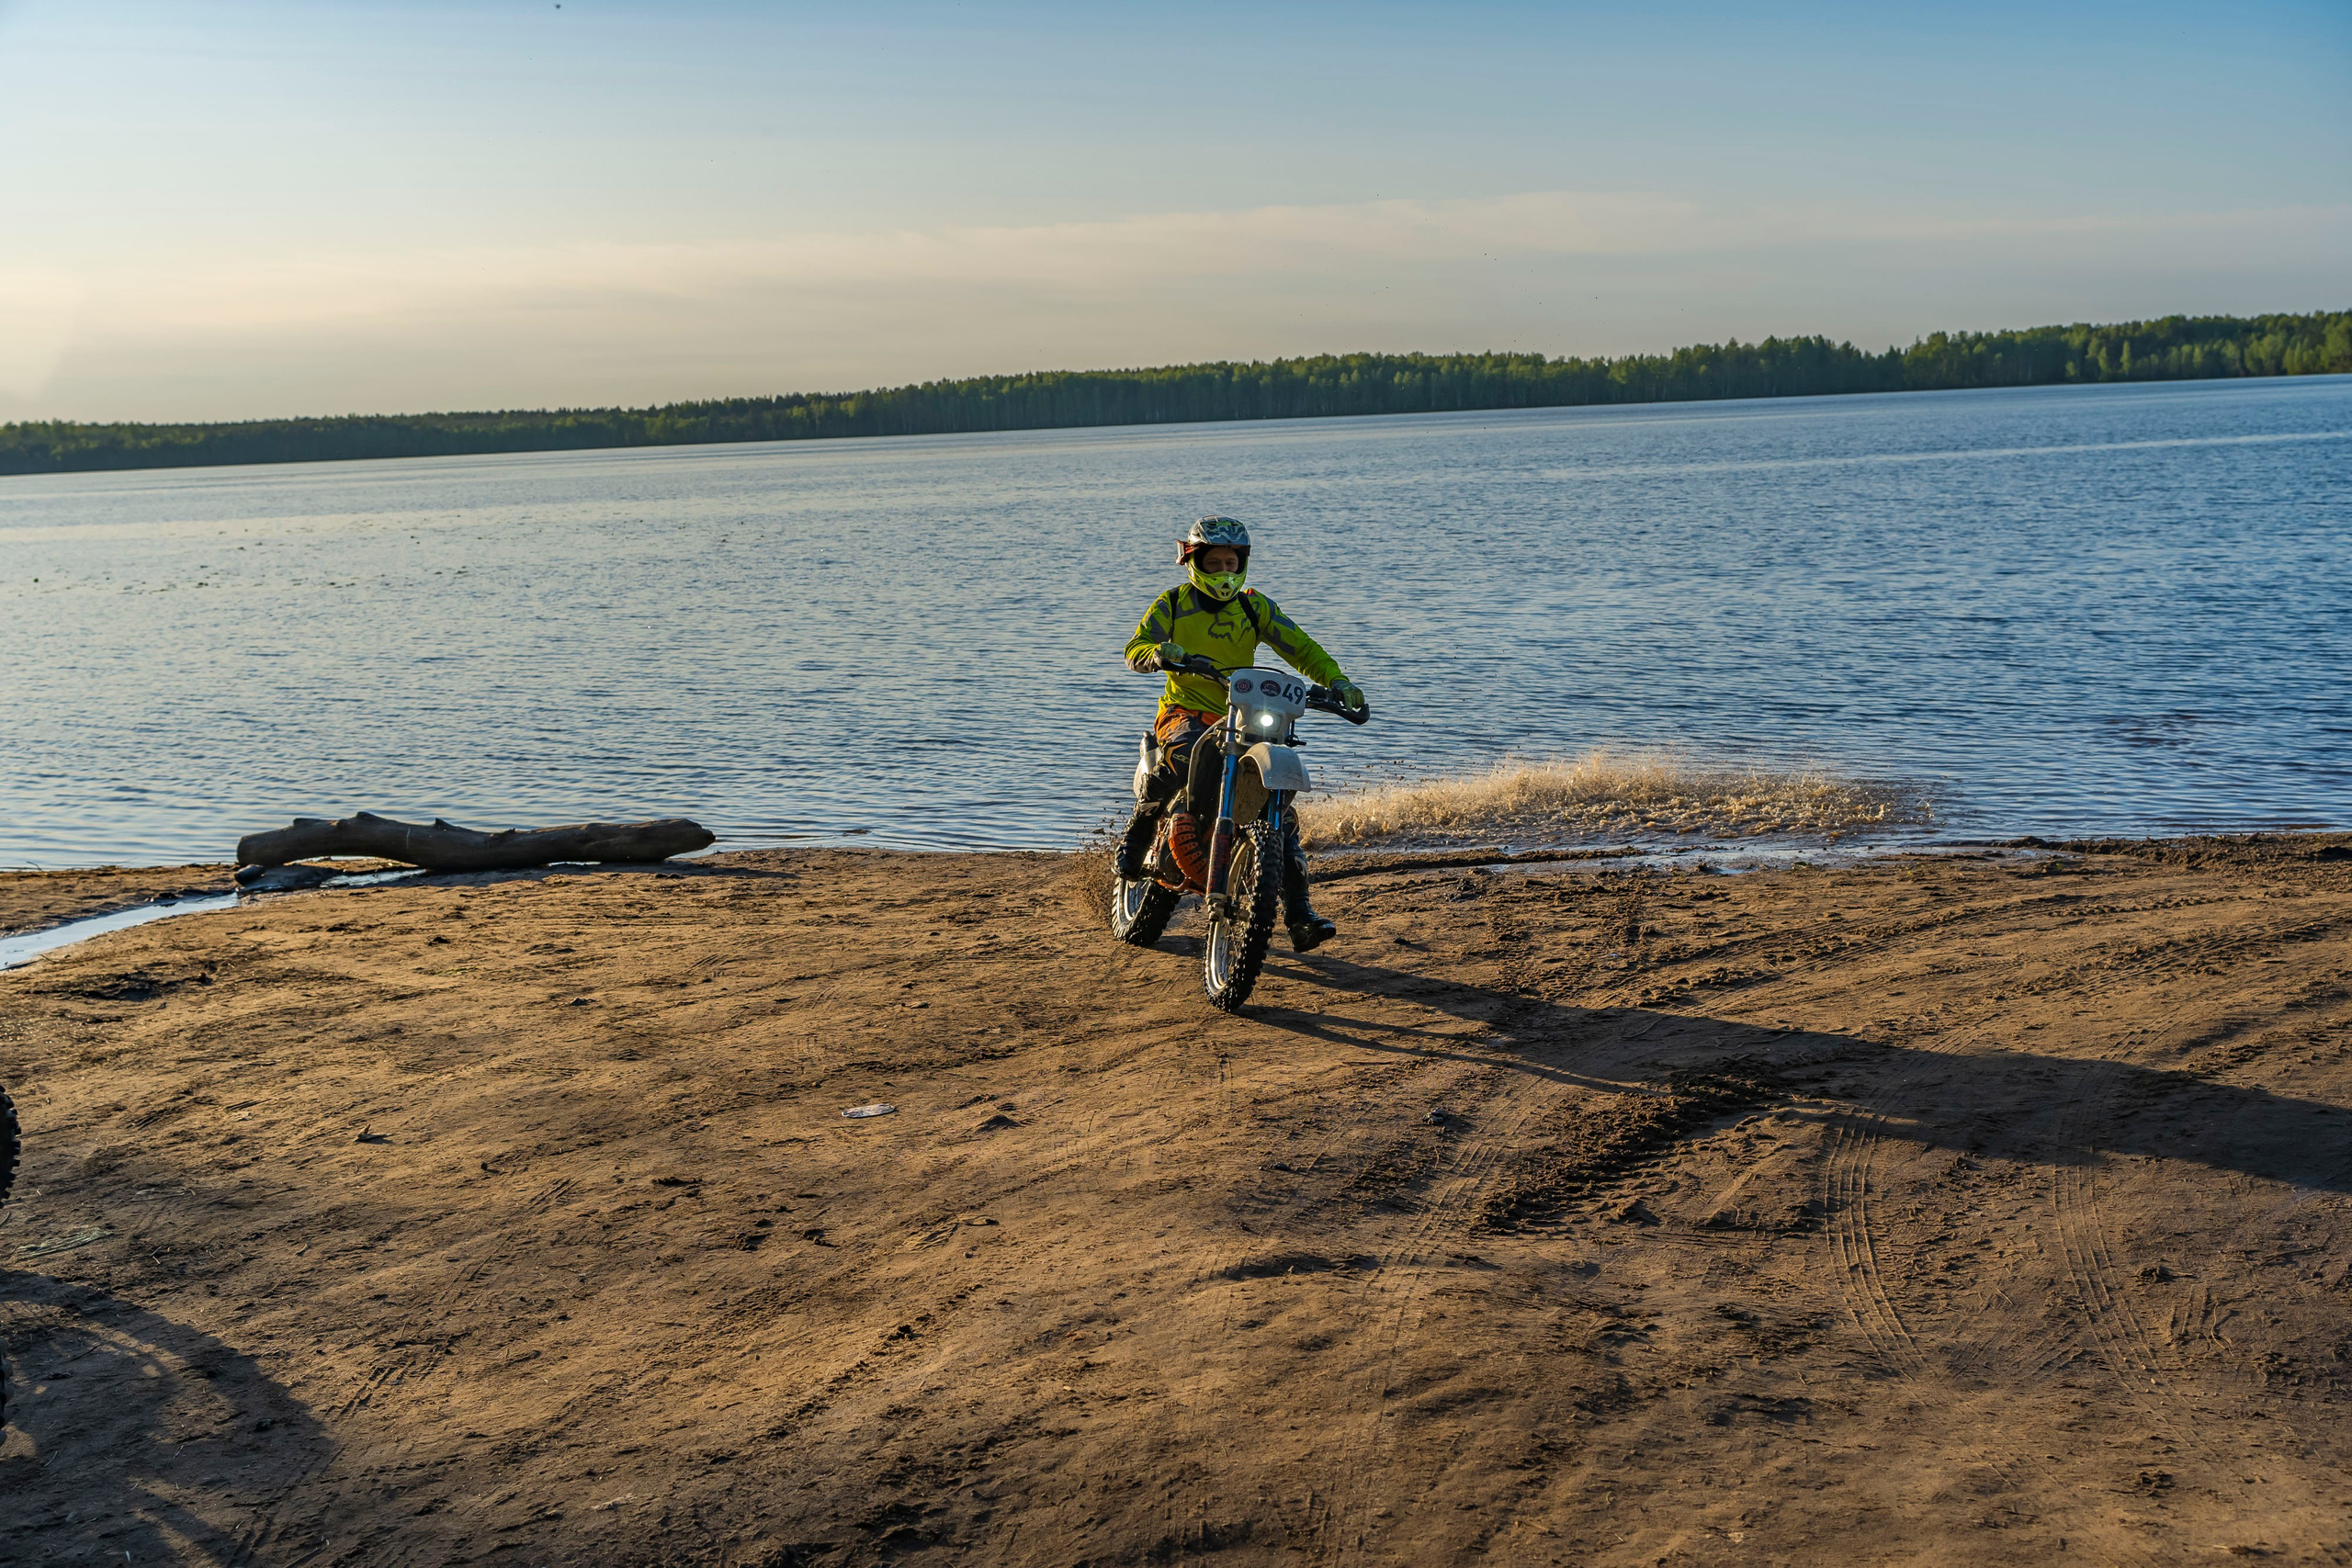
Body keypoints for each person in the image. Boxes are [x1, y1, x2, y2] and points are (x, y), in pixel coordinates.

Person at [1121, 516, 1366, 953]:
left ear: (1243, 564)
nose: (1223, 572)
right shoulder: (1172, 604)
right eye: (1213, 563)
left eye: (1231, 563)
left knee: (1282, 814)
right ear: (1194, 562)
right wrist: (1160, 653)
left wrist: (1338, 682)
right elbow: (1134, 650)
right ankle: (1138, 834)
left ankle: (1300, 914)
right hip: (1187, 711)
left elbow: (1301, 647)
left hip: (1246, 714)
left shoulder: (1254, 607)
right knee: (1180, 758)